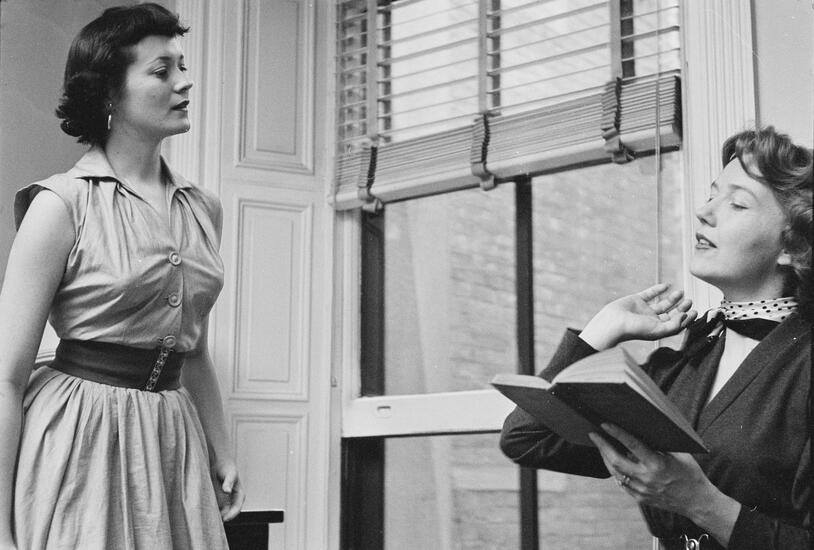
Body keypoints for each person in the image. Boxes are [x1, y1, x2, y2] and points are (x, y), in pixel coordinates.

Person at [0, 4, 244, 549]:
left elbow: (194, 350)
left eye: (182, 66)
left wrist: (222, 449)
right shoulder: (60, 205)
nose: (184, 82)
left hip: (172, 440)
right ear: (109, 93)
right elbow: (6, 377)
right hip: (79, 440)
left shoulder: (204, 208)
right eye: (162, 70)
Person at [500, 126, 812, 549]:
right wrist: (603, 329)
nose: (704, 212)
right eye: (712, 195)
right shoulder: (687, 358)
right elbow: (527, 438)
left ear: (793, 246)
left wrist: (700, 502)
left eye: (737, 203)